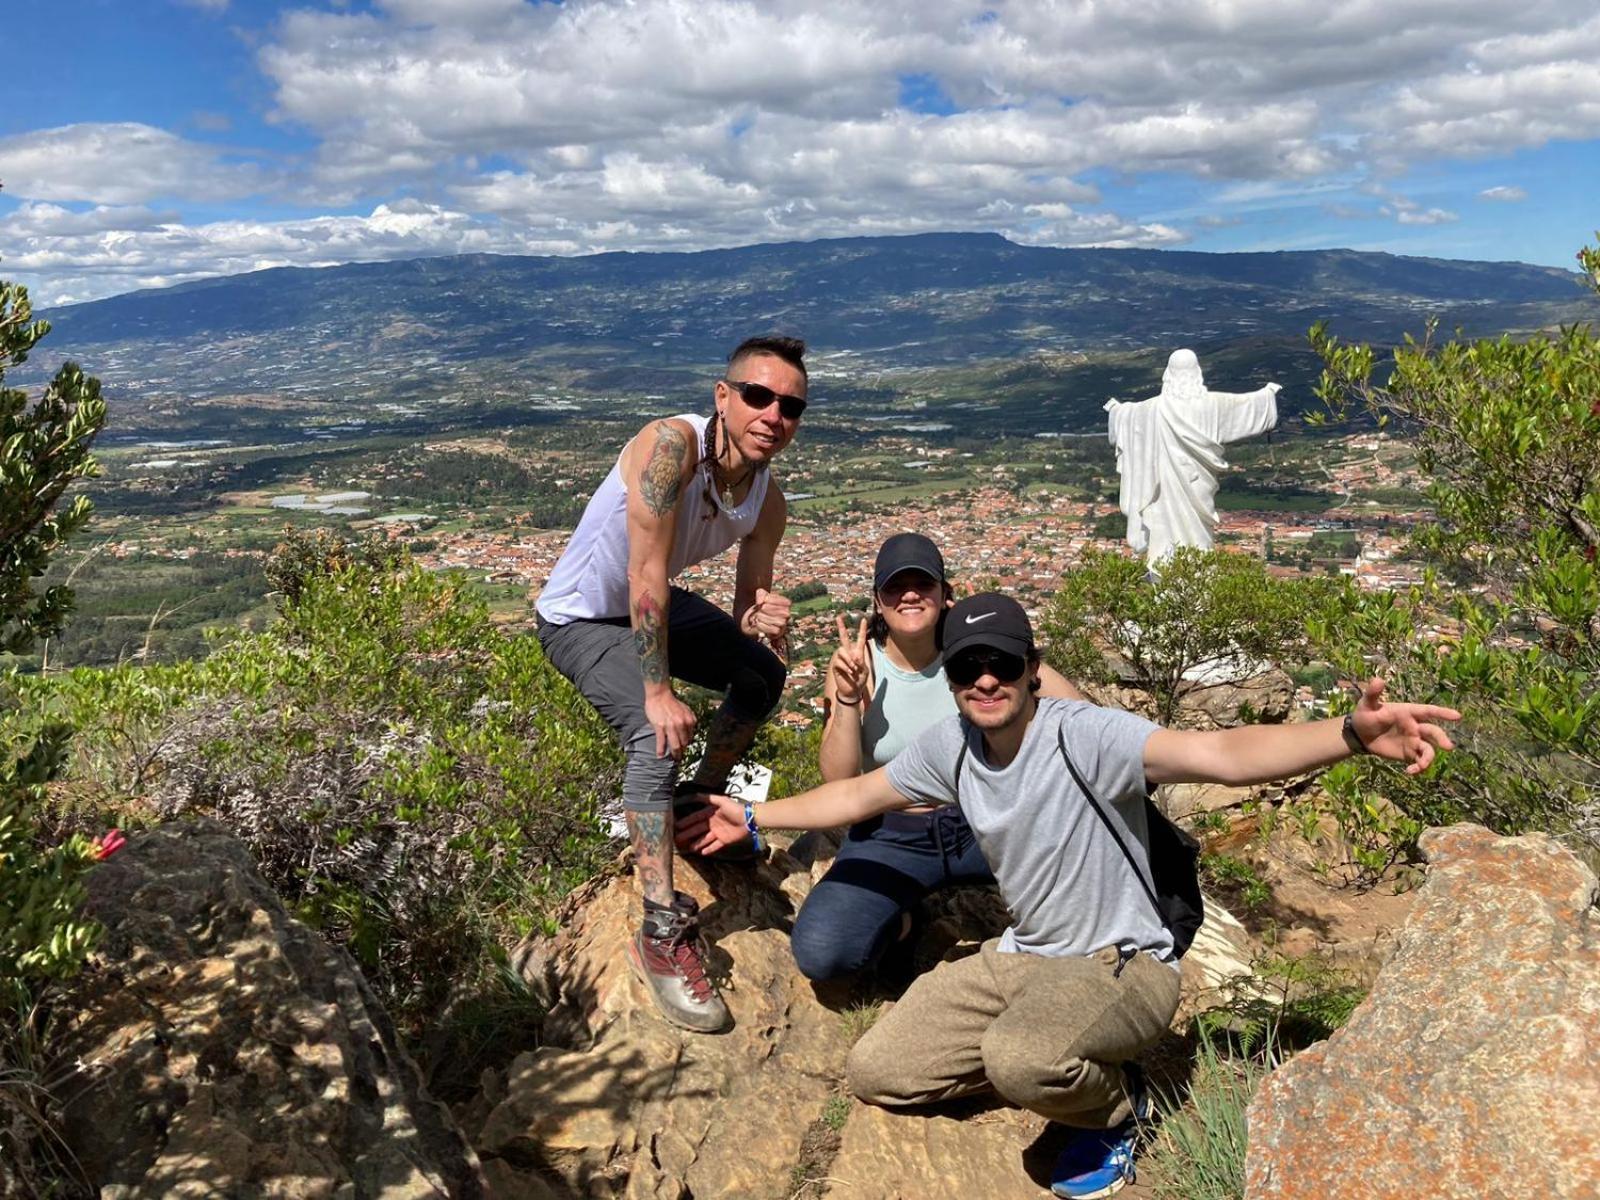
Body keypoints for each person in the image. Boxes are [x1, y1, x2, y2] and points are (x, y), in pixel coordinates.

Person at [681, 592, 1457, 1197]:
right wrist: (750, 814)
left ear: (1031, 667)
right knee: (878, 1071)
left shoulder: (1083, 733)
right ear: (949, 677)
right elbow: (855, 798)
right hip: (1023, 958)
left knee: (1020, 1058)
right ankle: (1048, 1055)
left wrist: (1349, 735)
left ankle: (1120, 1107)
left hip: (1121, 961)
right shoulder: (953, 745)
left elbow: (1220, 754)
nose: (985, 679)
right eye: (966, 666)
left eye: (1002, 663)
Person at [535, 334, 807, 1033]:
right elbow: (646, 575)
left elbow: (749, 611)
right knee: (654, 735)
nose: (773, 413)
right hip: (583, 617)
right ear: (723, 396)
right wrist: (657, 693)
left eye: (790, 405)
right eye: (757, 395)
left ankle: (698, 803)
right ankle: (660, 929)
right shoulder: (670, 448)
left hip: (646, 606)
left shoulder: (766, 499)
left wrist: (761, 616)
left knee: (761, 675)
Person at [792, 532, 1083, 985]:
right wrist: (848, 698)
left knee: (1085, 888)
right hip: (892, 830)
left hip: (984, 819)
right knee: (824, 952)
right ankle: (907, 924)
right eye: (895, 586)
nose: (909, 595)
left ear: (945, 595)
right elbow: (838, 776)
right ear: (878, 600)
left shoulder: (975, 651)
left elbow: (1081, 715)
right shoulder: (856, 663)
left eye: (923, 584)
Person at [1105, 348, 1280, 568]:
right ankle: (1195, 579)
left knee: (1165, 535)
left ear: (1168, 374)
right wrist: (1268, 394)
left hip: (1164, 488)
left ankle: (1167, 577)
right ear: (1197, 372)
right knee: (1197, 536)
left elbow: (1126, 417)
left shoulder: (1151, 410)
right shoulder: (1213, 404)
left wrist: (1115, 410)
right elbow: (1248, 406)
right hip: (1198, 486)